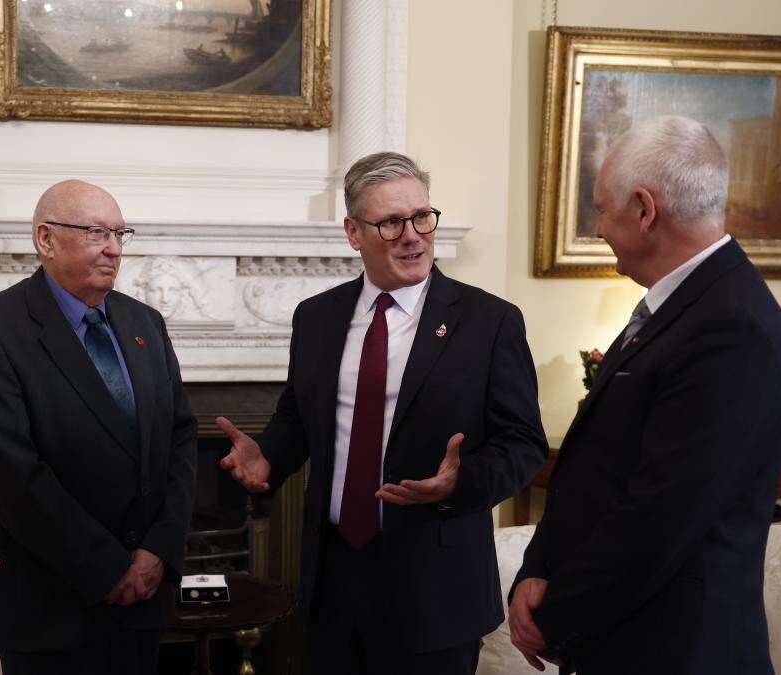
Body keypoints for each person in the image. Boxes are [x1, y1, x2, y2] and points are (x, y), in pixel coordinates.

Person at [218, 151, 548, 674]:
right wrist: (269, 459)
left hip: (435, 583)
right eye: (392, 222)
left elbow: (524, 441)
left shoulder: (490, 321)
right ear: (354, 232)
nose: (413, 235)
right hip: (335, 575)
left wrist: (459, 484)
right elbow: (299, 419)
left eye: (422, 217)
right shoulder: (318, 317)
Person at [508, 116, 781, 674]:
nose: (597, 228)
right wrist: (537, 569)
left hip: (676, 651)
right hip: (627, 638)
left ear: (645, 210)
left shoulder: (733, 329)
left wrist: (556, 615)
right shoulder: (677, 305)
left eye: (601, 208)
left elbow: (660, 515)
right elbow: (594, 467)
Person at [0, 180, 197, 675]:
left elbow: (180, 438)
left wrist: (157, 552)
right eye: (95, 232)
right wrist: (110, 570)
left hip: (141, 606)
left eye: (119, 233)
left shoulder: (145, 322)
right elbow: (11, 473)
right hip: (51, 612)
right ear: (45, 239)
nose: (113, 248)